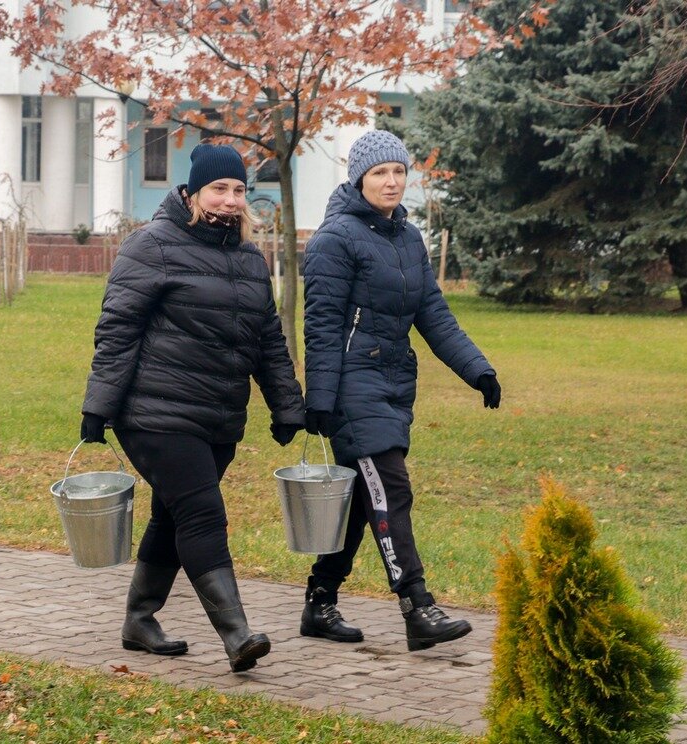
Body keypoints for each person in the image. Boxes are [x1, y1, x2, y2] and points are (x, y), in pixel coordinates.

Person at [79, 144, 304, 672]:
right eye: (218, 189)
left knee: (172, 515)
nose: (230, 199)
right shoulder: (152, 245)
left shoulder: (250, 259)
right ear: (193, 192)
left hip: (216, 416)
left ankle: (139, 619)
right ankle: (237, 634)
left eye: (239, 190)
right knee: (202, 513)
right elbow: (117, 330)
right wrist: (98, 406)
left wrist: (287, 406)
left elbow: (268, 341)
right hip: (153, 413)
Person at [301, 130, 501, 651]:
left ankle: (320, 602)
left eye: (398, 172)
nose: (391, 182)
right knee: (390, 489)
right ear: (358, 180)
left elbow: (433, 314)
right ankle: (417, 607)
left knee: (360, 500)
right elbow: (321, 326)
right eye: (379, 173)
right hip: (351, 388)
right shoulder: (334, 239)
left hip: (392, 384)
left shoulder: (409, 239)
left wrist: (477, 370)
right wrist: (319, 400)